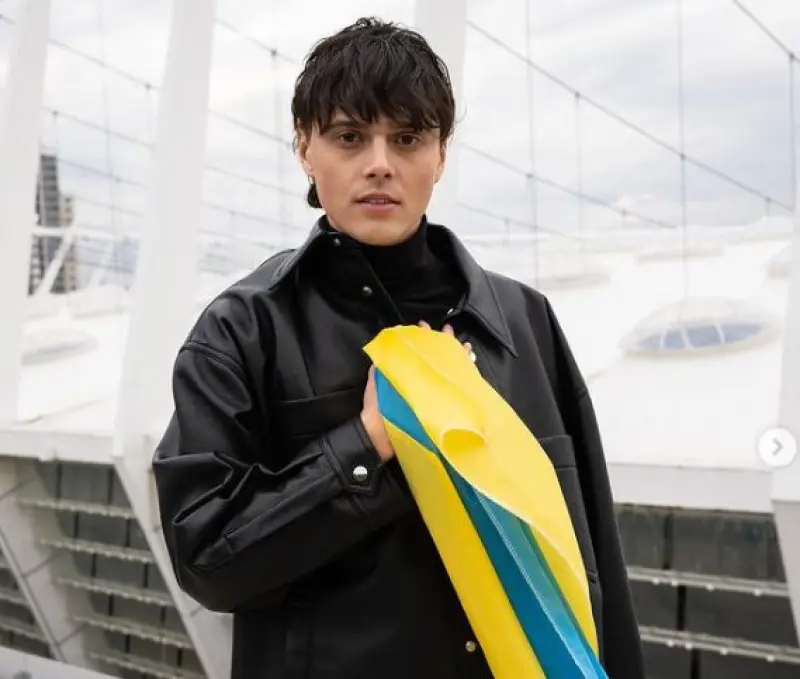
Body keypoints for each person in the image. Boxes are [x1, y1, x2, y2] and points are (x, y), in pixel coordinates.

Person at [152, 16, 645, 679]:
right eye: (350, 137)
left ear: (440, 155)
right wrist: (365, 447)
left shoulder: (524, 322)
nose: (380, 163)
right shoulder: (240, 332)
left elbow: (594, 557)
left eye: (408, 138)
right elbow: (206, 560)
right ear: (304, 148)